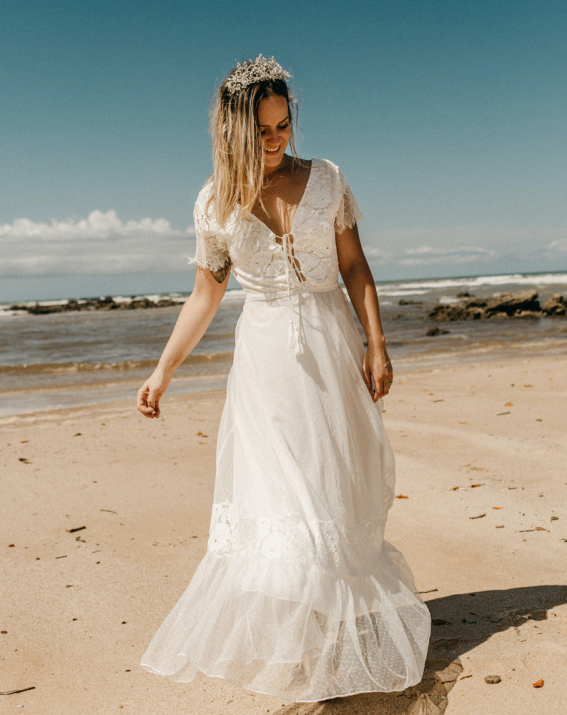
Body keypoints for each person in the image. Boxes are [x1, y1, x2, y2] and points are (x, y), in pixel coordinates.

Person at [138, 55, 430, 703]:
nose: (276, 140)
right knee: (284, 499)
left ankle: (331, 630)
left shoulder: (327, 180)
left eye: (283, 124)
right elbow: (203, 296)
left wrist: (376, 344)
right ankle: (311, 646)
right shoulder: (215, 201)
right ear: (233, 133)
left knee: (335, 488)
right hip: (265, 364)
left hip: (331, 349)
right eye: (262, 131)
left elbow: (355, 268)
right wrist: (163, 371)